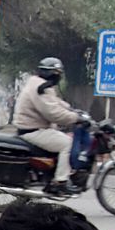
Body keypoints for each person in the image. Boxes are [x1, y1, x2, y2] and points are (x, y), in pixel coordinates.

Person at [13, 57, 85, 196]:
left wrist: (72, 110)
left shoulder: (39, 84)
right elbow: (53, 113)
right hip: (33, 130)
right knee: (67, 144)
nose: (58, 76)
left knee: (63, 139)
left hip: (35, 128)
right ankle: (60, 182)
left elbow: (55, 103)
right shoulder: (41, 88)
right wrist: (75, 118)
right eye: (57, 73)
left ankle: (53, 176)